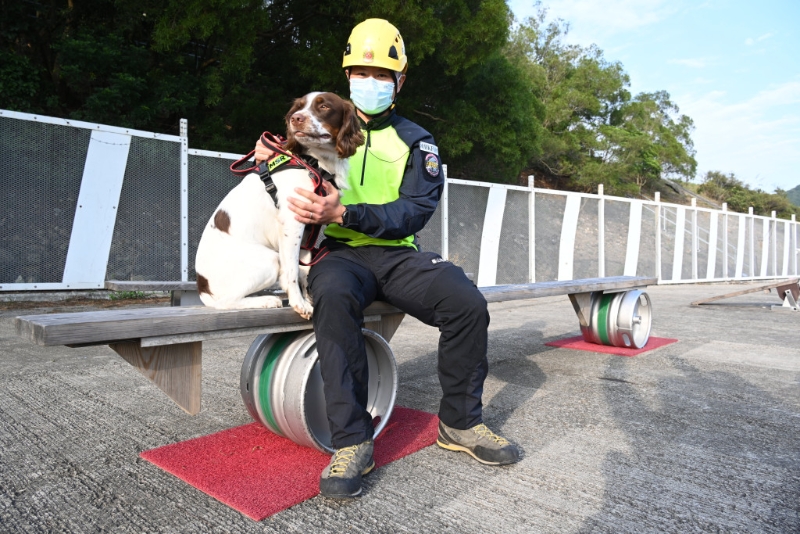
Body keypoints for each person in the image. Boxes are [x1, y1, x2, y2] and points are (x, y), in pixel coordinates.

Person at [254, 18, 520, 499]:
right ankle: (352, 441)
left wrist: (347, 210)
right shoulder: (323, 126)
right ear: (347, 76)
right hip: (339, 254)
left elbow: (416, 210)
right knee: (332, 298)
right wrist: (264, 159)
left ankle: (460, 424)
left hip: (398, 254)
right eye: (360, 73)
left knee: (466, 304)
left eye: (381, 75)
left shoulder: (417, 140)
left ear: (399, 82)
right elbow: (278, 169)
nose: (369, 83)